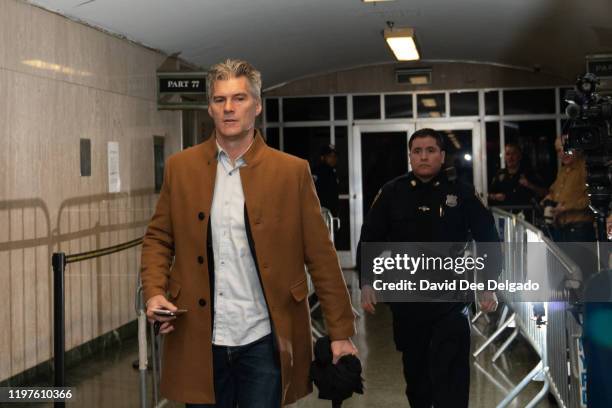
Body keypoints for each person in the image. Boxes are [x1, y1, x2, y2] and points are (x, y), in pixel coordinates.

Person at [141, 59, 357, 407]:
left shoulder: (291, 172)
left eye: (239, 98)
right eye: (219, 99)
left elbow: (321, 256)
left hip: (264, 338)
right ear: (209, 107)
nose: (229, 108)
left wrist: (341, 332)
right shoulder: (181, 169)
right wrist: (154, 293)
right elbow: (158, 238)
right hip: (199, 337)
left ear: (257, 105)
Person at [358, 128, 500, 408]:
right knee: (417, 377)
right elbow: (370, 238)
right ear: (410, 156)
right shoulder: (392, 192)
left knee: (451, 375)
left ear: (442, 155)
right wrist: (367, 281)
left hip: (451, 298)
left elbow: (488, 238)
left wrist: (488, 282)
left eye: (430, 150)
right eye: (417, 151)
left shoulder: (461, 193)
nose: (423, 156)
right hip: (408, 299)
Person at [312, 144, 340, 216]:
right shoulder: (318, 171)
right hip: (321, 212)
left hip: (330, 213)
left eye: (335, 156)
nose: (333, 159)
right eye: (330, 156)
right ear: (322, 157)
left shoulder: (333, 172)